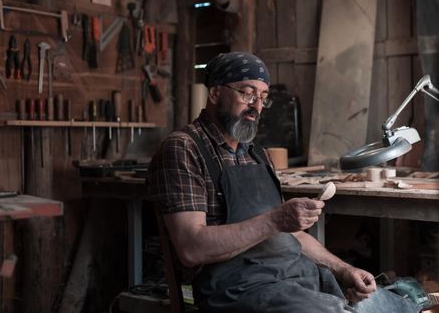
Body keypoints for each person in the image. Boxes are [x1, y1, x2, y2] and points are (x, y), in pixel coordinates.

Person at [147, 52, 419, 313]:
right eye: (247, 93)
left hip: (296, 277)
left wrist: (343, 269)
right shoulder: (184, 148)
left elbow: (292, 234)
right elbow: (191, 248)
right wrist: (276, 219)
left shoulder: (257, 154)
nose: (257, 106)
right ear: (216, 92)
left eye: (263, 97)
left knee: (392, 306)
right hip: (239, 290)